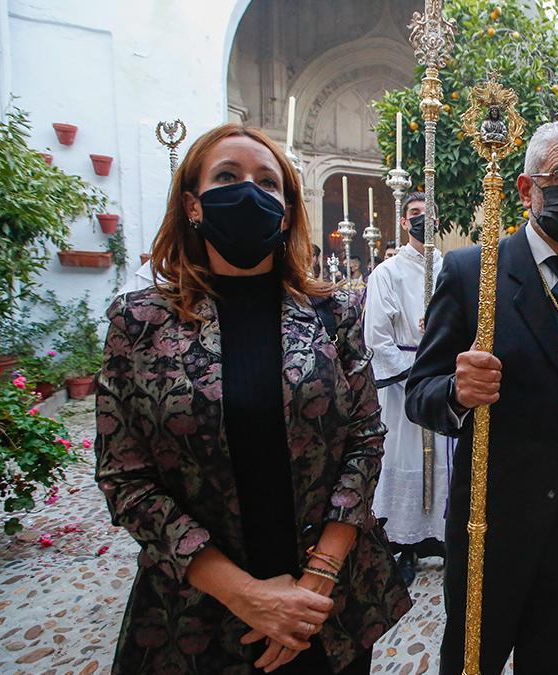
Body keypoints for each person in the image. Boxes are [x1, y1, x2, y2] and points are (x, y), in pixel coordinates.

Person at [94, 123, 410, 674]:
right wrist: (246, 595)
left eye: (268, 183)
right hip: (199, 607)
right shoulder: (140, 322)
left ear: (285, 212)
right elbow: (125, 476)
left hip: (328, 602)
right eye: (227, 176)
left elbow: (364, 440)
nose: (249, 191)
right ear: (193, 204)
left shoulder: (333, 314)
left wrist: (318, 580)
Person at [405, 119, 558, 674]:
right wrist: (457, 393)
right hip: (492, 521)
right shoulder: (474, 273)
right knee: (473, 660)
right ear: (526, 188)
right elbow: (422, 392)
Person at [365, 191, 451, 586]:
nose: (421, 219)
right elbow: (377, 338)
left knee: (443, 460)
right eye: (415, 214)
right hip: (405, 384)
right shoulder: (388, 273)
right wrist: (414, 375)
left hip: (445, 382)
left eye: (427, 213)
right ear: (403, 222)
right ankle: (405, 542)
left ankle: (441, 534)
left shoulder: (448, 268)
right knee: (408, 456)